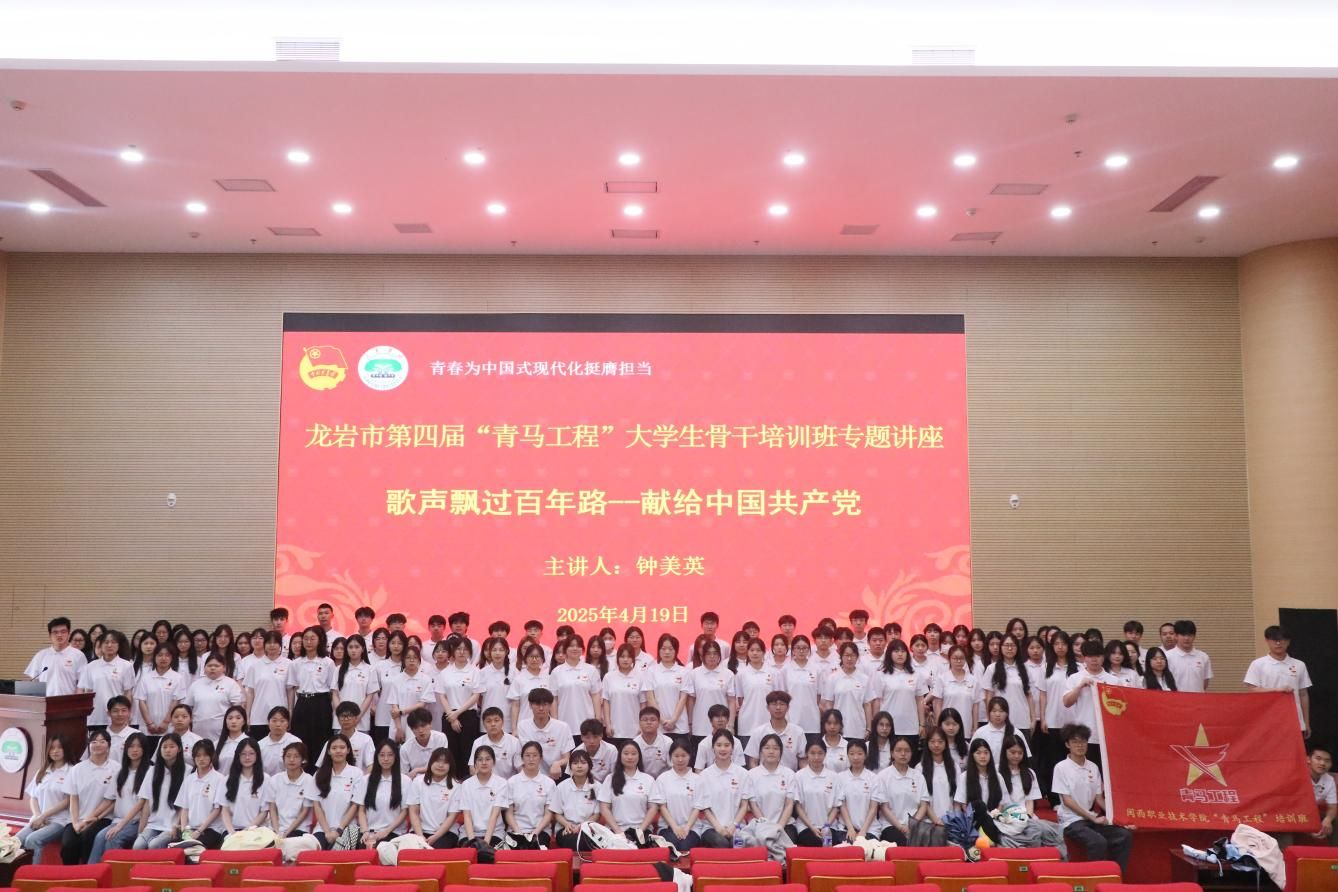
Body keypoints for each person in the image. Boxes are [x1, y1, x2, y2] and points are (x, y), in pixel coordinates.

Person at [1052, 724, 1133, 871]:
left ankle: (1115, 875)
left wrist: (1120, 819)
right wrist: (1092, 817)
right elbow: (1067, 801)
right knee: (1098, 842)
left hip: (1090, 818)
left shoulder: (1093, 767)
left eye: (1083, 741)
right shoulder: (1061, 767)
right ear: (1067, 744)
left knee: (1124, 835)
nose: (1080, 745)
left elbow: (1099, 798)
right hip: (1071, 820)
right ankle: (1095, 877)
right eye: (1075, 742)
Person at [999, 733, 1067, 855]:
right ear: (1005, 752)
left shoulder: (1029, 773)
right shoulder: (997, 772)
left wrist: (1027, 818)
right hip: (1005, 818)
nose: (1016, 756)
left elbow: (1030, 802)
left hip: (1026, 817)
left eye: (1020, 753)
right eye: (1012, 752)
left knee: (1056, 832)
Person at [88, 732, 150, 862]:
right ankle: (92, 871)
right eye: (131, 746)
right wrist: (90, 818)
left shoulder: (150, 771)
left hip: (137, 822)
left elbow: (141, 804)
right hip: (118, 820)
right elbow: (109, 800)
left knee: (113, 838)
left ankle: (113, 872)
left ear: (144, 749)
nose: (134, 750)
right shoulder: (120, 772)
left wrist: (120, 826)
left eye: (139, 746)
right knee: (99, 837)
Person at [1244, 625, 1312, 736]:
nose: (1278, 643)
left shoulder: (1299, 664)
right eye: (1274, 640)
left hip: (1294, 721)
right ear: (1267, 641)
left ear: (1288, 642)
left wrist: (1306, 722)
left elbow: (1303, 694)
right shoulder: (1258, 664)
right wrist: (1276, 690)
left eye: (1282, 640)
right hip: (1266, 721)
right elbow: (1252, 690)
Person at [694, 729, 754, 847]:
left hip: (737, 827)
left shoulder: (742, 774)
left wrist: (733, 826)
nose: (723, 749)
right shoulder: (704, 775)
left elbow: (744, 805)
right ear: (713, 748)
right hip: (711, 827)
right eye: (719, 745)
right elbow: (705, 808)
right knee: (722, 843)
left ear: (732, 748)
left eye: (727, 745)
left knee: (738, 845)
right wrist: (719, 828)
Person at [1062, 641, 1116, 768]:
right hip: (1084, 735)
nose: (1094, 659)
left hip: (1107, 735)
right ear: (1084, 658)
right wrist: (1079, 687)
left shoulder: (1113, 680)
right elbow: (1066, 702)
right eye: (1090, 656)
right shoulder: (1075, 678)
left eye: (1098, 656)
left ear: (1103, 657)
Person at [354, 740, 418, 849]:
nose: (386, 759)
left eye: (390, 755)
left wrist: (386, 831)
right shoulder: (365, 780)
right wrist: (365, 831)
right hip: (369, 832)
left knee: (383, 850)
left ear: (396, 757)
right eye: (382, 755)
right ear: (376, 757)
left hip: (395, 833)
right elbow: (361, 810)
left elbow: (404, 811)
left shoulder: (405, 781)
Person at [288, 627, 336, 768]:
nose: (308, 642)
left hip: (321, 703)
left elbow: (332, 690)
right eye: (306, 639)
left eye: (312, 638)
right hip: (302, 702)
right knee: (301, 739)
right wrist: (291, 711)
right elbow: (292, 689)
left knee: (321, 739)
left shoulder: (327, 662)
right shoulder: (296, 663)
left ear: (320, 640)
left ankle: (319, 772)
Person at [308, 733, 362, 849]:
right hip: (322, 829)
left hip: (347, 830)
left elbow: (354, 805)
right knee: (311, 850)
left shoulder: (356, 773)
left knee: (338, 853)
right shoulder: (319, 774)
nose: (338, 751)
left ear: (348, 750)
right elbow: (317, 805)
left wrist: (338, 830)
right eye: (334, 748)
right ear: (328, 751)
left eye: (342, 748)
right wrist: (327, 832)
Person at [78, 630, 136, 733]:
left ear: (118, 645)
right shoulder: (90, 666)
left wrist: (126, 715)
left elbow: (128, 693)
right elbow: (87, 692)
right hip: (95, 717)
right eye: (106, 642)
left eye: (113, 642)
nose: (109, 645)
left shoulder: (126, 666)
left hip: (117, 716)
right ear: (100, 645)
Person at [685, 640, 736, 754]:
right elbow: (691, 700)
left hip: (722, 725)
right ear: (702, 656)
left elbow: (732, 701)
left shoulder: (728, 674)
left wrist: (731, 725)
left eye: (715, 653)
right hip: (700, 726)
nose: (712, 657)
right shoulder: (694, 674)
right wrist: (690, 723)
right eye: (708, 653)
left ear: (720, 655)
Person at [650, 740, 703, 851]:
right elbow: (662, 807)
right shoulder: (663, 779)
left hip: (692, 828)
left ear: (690, 756)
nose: (680, 759)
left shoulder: (698, 779)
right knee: (673, 844)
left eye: (684, 755)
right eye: (676, 756)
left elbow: (697, 807)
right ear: (670, 757)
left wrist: (687, 828)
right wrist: (675, 828)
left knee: (685, 846)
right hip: (668, 827)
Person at [451, 745, 509, 847]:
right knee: (469, 852)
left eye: (488, 759)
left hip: (494, 833)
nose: (484, 762)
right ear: (475, 763)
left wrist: (485, 844)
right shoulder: (466, 784)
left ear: (494, 762)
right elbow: (467, 816)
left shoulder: (501, 783)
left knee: (489, 854)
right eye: (480, 759)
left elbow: (494, 815)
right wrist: (473, 842)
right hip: (469, 833)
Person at [135, 733, 185, 849]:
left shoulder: (187, 771)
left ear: (179, 749)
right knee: (138, 845)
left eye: (171, 746)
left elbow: (184, 806)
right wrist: (141, 830)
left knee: (154, 845)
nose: (167, 750)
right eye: (164, 747)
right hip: (153, 824)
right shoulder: (152, 771)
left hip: (173, 825)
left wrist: (176, 825)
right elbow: (147, 803)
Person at [820, 643, 877, 742]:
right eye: (846, 655)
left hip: (858, 728)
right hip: (837, 729)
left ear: (857, 657)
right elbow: (829, 704)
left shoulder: (864, 679)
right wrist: (830, 725)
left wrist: (869, 728)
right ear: (841, 657)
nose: (849, 659)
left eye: (853, 655)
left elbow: (867, 705)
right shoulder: (833, 678)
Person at [176, 739, 227, 850]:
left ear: (212, 756)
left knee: (194, 849)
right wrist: (184, 830)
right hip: (191, 829)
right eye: (198, 756)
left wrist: (199, 831)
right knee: (175, 849)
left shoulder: (219, 779)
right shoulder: (189, 779)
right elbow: (184, 808)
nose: (201, 759)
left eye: (205, 755)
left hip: (212, 829)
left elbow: (217, 809)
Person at [876, 736, 928, 844]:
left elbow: (923, 805)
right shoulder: (883, 776)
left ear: (911, 753)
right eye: (899, 750)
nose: (903, 754)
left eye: (907, 751)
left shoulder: (918, 776)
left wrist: (912, 825)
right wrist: (901, 827)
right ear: (892, 753)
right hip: (890, 825)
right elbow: (884, 807)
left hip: (914, 825)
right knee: (900, 841)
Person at [183, 653, 245, 742]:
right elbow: (188, 708)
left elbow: (237, 707)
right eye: (209, 665)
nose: (212, 668)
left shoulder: (231, 684)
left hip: (223, 732)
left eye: (216, 666)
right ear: (204, 668)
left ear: (224, 668)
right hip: (198, 732)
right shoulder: (196, 685)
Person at [789, 739, 840, 846]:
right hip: (806, 827)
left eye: (820, 753)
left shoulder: (834, 777)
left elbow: (836, 807)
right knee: (814, 842)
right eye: (812, 753)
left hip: (829, 826)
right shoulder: (799, 776)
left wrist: (826, 826)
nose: (816, 757)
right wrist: (812, 827)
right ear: (806, 754)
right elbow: (798, 806)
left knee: (829, 843)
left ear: (825, 754)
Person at [515, 688, 573, 779]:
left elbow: (567, 758)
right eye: (537, 704)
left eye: (545, 704)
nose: (541, 708)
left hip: (556, 775)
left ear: (550, 705)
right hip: (532, 775)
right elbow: (520, 756)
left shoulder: (563, 727)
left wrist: (557, 763)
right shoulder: (523, 726)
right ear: (530, 705)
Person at [507, 741, 557, 844]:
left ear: (541, 758)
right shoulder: (512, 782)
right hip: (516, 830)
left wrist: (535, 833)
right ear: (522, 758)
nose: (531, 759)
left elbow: (548, 814)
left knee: (535, 847)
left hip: (541, 831)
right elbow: (509, 813)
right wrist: (519, 833)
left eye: (535, 755)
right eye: (527, 755)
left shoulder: (549, 783)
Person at [549, 748, 600, 849]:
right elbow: (557, 814)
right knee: (572, 840)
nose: (579, 766)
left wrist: (582, 826)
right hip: (566, 828)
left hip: (589, 829)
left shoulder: (597, 787)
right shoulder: (562, 787)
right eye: (575, 763)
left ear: (589, 765)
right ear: (570, 766)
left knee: (585, 840)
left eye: (583, 763)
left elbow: (597, 814)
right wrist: (567, 824)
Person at [243, 632, 291, 740]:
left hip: (280, 718)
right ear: (264, 645)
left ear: (280, 645)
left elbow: (290, 692)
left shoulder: (288, 664)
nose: (272, 645)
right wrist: (247, 715)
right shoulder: (255, 666)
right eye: (269, 642)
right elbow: (250, 693)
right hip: (258, 717)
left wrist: (290, 714)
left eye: (275, 642)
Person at [409, 747, 459, 848]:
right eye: (437, 761)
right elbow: (413, 812)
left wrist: (436, 836)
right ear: (430, 762)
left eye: (445, 762)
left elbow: (452, 816)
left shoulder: (456, 786)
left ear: (450, 766)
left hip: (445, 833)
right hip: (419, 831)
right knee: (414, 850)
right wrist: (420, 836)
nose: (440, 765)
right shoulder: (418, 782)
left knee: (434, 850)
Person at [743, 691, 807, 770]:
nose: (778, 707)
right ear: (767, 707)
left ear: (788, 707)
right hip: (764, 776)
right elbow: (753, 761)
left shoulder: (798, 732)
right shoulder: (758, 732)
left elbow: (803, 760)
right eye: (774, 704)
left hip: (790, 776)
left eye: (782, 704)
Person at [747, 733, 797, 834]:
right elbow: (753, 805)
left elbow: (789, 805)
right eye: (767, 748)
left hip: (785, 825)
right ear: (761, 752)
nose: (771, 751)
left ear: (781, 752)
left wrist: (778, 828)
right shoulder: (751, 775)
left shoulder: (789, 774)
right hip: (760, 824)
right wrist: (766, 827)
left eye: (775, 748)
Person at [834, 739, 883, 842]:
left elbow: (873, 808)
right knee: (848, 849)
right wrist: (850, 829)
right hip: (846, 829)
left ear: (865, 755)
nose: (855, 757)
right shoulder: (840, 777)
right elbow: (842, 805)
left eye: (860, 753)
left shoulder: (874, 778)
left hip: (869, 829)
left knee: (865, 848)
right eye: (852, 754)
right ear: (847, 755)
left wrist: (863, 831)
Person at [552, 634, 601, 733]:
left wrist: (597, 718)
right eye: (571, 646)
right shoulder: (556, 672)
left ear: (583, 649)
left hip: (587, 725)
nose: (575, 648)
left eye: (578, 646)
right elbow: (554, 699)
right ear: (565, 649)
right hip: (564, 723)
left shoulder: (591, 670)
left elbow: (595, 696)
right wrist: (555, 721)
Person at [734, 638, 781, 742]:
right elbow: (740, 698)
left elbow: (778, 697)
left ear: (764, 653)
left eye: (758, 650)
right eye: (752, 650)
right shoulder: (741, 674)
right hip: (747, 724)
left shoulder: (773, 672)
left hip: (769, 722)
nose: (755, 653)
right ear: (747, 652)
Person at [217, 738, 266, 836]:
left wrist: (247, 831)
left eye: (251, 753)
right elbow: (225, 811)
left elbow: (264, 812)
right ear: (237, 756)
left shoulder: (266, 779)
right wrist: (232, 832)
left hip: (256, 830)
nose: (247, 757)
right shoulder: (227, 780)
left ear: (257, 755)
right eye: (243, 754)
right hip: (232, 830)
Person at [643, 634, 690, 736]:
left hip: (680, 726)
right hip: (658, 727)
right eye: (663, 649)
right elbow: (650, 699)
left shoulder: (684, 672)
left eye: (670, 649)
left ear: (676, 651)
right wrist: (662, 720)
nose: (667, 652)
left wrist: (673, 720)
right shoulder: (651, 671)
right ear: (659, 650)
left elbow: (683, 699)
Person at [262, 742, 312, 838]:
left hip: (299, 829)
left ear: (303, 759)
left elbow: (304, 812)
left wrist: (286, 833)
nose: (291, 759)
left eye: (296, 756)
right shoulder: (275, 779)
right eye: (288, 756)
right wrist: (277, 831)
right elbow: (272, 808)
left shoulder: (309, 780)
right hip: (276, 829)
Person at [334, 634, 379, 735]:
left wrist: (357, 717)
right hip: (340, 723)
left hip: (361, 721)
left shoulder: (370, 670)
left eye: (357, 647)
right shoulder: (338, 669)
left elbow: (369, 696)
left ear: (363, 649)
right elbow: (335, 694)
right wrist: (341, 715)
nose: (353, 650)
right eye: (350, 647)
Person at [388, 645, 434, 744]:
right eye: (408, 657)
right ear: (403, 660)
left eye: (415, 657)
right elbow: (394, 707)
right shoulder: (396, 680)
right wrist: (399, 728)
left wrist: (402, 711)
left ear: (419, 660)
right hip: (399, 722)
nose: (411, 660)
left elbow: (422, 704)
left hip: (418, 724)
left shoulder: (425, 679)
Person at [602, 645, 647, 744]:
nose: (625, 659)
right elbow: (606, 702)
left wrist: (641, 725)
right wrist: (608, 725)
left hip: (635, 731)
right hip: (615, 730)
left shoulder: (640, 677)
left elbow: (643, 704)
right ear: (617, 658)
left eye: (629, 656)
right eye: (622, 656)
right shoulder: (609, 677)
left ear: (633, 659)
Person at [915, 729, 958, 832]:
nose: (936, 745)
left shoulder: (954, 767)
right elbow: (922, 800)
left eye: (940, 741)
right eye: (932, 741)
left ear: (946, 743)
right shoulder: (920, 768)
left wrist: (955, 819)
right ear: (927, 743)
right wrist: (936, 820)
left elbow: (957, 797)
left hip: (951, 821)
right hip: (928, 822)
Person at [970, 697, 1031, 764]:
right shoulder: (980, 733)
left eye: (1001, 711)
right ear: (989, 713)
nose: (997, 714)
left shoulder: (1016, 733)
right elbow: (971, 754)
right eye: (994, 711)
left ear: (1007, 713)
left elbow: (1025, 756)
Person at [315, 701, 374, 769]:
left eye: (350, 716)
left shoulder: (366, 739)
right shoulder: (331, 741)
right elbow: (321, 766)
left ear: (356, 718)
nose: (346, 719)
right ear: (338, 719)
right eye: (343, 716)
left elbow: (371, 765)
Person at [932, 646, 979, 730]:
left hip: (966, 726)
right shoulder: (942, 679)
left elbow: (975, 707)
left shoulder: (973, 680)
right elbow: (937, 705)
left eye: (961, 658)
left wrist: (975, 728)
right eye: (955, 658)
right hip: (947, 726)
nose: (958, 661)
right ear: (949, 659)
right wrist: (939, 727)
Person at [508, 642, 552, 730]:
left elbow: (552, 704)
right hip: (524, 725)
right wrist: (514, 729)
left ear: (543, 659)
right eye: (531, 656)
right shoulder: (519, 679)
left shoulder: (549, 678)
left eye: (537, 656)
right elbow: (515, 706)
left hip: (546, 726)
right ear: (525, 659)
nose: (534, 660)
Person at [469, 707, 520, 781]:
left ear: (503, 722)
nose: (493, 724)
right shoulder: (478, 742)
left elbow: (520, 768)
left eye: (496, 720)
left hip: (508, 784)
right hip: (486, 783)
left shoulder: (514, 742)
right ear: (483, 724)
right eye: (488, 721)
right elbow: (472, 768)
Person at [476, 636, 513, 733]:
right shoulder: (482, 673)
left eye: (501, 650)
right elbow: (478, 698)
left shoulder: (514, 672)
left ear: (507, 651)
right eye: (494, 650)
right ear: (489, 652)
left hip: (507, 722)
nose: (497, 653)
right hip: (487, 722)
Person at [1165, 620, 1213, 692]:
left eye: (1190, 635)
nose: (1186, 638)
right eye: (1183, 635)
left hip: (1198, 698)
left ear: (1194, 636)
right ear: (1176, 636)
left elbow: (1205, 683)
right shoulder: (1167, 656)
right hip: (1175, 698)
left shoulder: (1203, 657)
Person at [694, 705, 746, 770]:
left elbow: (740, 767)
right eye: (716, 716)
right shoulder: (703, 744)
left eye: (723, 716)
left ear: (728, 720)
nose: (720, 719)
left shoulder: (736, 742)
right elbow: (698, 769)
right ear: (710, 720)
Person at [401, 708, 449, 778]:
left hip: (438, 777)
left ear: (430, 724)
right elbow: (404, 774)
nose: (420, 730)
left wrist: (417, 770)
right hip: (416, 781)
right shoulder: (405, 748)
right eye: (416, 727)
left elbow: (441, 764)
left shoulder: (440, 738)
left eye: (423, 726)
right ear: (411, 729)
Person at [258, 706, 302, 776]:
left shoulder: (295, 742)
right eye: (274, 721)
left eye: (282, 721)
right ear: (268, 722)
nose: (278, 724)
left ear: (288, 723)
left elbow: (300, 767)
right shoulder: (260, 745)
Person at [1305, 744, 1336, 844]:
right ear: (1308, 759)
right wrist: (1308, 827)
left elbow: (1333, 806)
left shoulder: (1329, 780)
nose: (1322, 763)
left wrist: (1328, 819)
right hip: (1295, 813)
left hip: (1314, 813)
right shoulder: (1299, 775)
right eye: (1318, 759)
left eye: (1327, 761)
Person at [632, 706, 675, 777]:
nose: (649, 722)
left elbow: (672, 767)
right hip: (641, 780)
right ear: (639, 723)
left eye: (652, 720)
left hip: (663, 779)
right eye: (645, 720)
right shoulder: (635, 743)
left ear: (658, 723)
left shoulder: (667, 742)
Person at [215, 705, 251, 774]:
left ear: (244, 721)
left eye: (238, 718)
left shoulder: (250, 743)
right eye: (230, 718)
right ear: (225, 721)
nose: (234, 721)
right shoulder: (216, 744)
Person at [819, 709, 850, 774]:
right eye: (829, 723)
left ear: (841, 725)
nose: (832, 727)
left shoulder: (848, 746)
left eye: (836, 723)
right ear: (824, 724)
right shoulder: (817, 745)